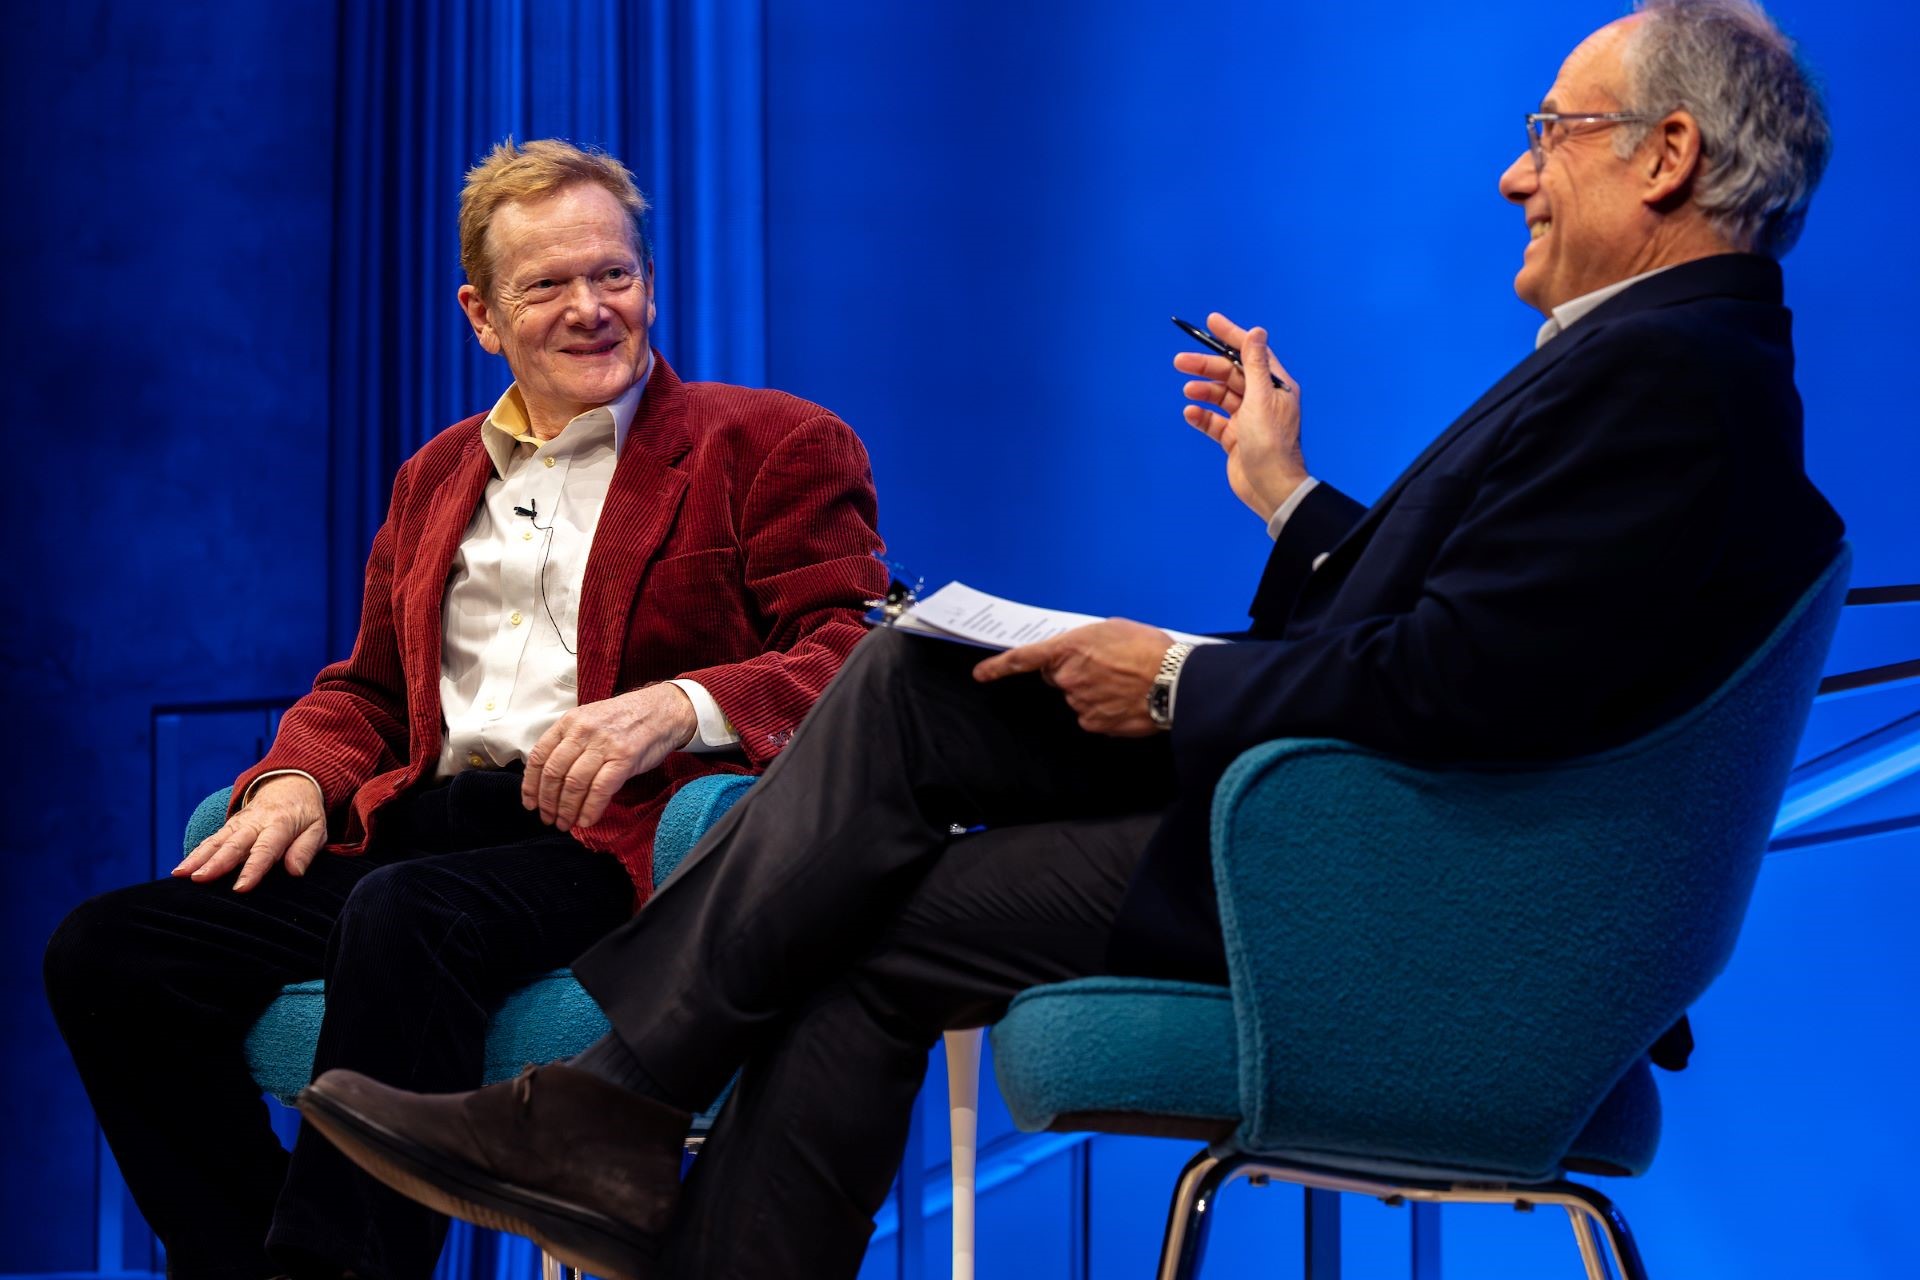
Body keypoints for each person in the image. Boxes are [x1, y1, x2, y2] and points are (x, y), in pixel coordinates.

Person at [296, 2, 1843, 1277]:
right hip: (1353, 842)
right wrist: (1288, 499)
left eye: (1551, 133)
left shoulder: (1669, 379)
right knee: (903, 731)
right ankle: (619, 1128)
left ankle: (614, 1112)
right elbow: (1461, 639)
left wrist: (1166, 676)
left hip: (1386, 898)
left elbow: (1465, 685)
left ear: (1671, 157)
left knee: (882, 777)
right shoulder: (1667, 369)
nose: (1518, 176)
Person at [41, 138, 886, 1280]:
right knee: (113, 950)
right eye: (547, 284)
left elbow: (852, 649)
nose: (591, 308)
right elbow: (369, 687)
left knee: (404, 913)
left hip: (616, 838)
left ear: (648, 279)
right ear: (483, 316)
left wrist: (680, 705)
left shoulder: (769, 443)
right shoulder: (435, 475)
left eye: (614, 275)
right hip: (430, 821)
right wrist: (296, 776)